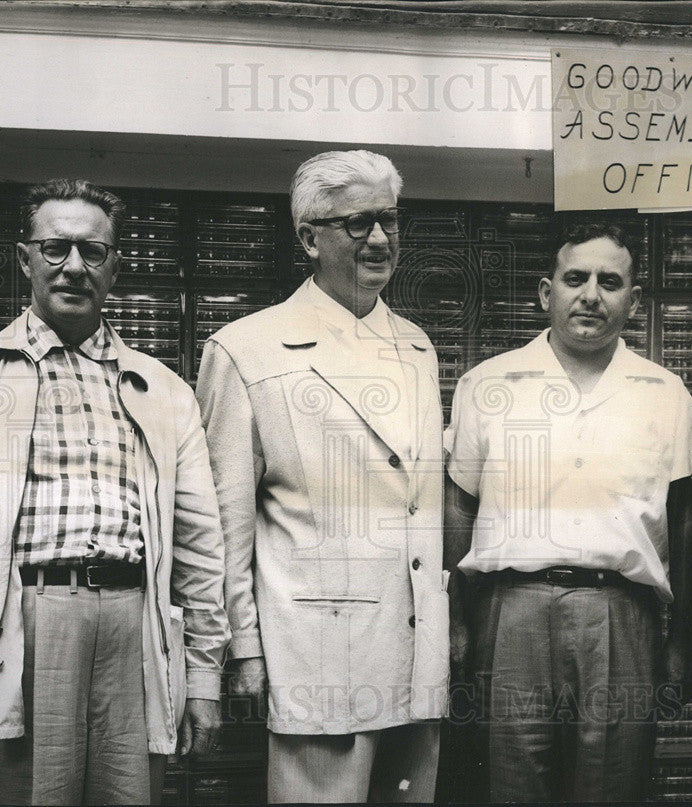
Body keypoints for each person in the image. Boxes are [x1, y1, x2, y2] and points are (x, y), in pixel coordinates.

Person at [0, 179, 231, 805]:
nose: (74, 266)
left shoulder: (164, 390)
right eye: (55, 248)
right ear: (25, 259)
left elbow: (201, 548)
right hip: (22, 626)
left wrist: (202, 680)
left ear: (115, 265)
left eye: (92, 252)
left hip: (136, 627)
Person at [196, 150, 449, 803]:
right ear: (309, 237)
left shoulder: (418, 346)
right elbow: (224, 526)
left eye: (389, 220)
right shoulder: (246, 349)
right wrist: (243, 648)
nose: (380, 239)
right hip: (316, 645)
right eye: (357, 223)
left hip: (416, 647)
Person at [444, 222, 692, 802]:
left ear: (633, 301)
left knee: (611, 786)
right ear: (546, 292)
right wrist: (457, 622)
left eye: (609, 282)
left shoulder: (666, 392)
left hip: (622, 613)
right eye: (575, 279)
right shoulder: (487, 384)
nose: (591, 294)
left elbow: (685, 521)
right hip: (510, 612)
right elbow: (458, 504)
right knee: (508, 784)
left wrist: (679, 638)